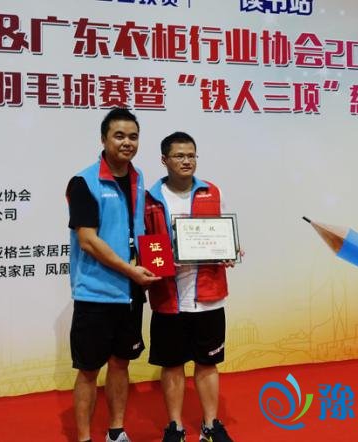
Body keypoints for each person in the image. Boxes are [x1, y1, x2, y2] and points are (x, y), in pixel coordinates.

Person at [67, 108, 160, 442]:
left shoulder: (138, 178)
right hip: (95, 293)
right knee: (89, 370)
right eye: (119, 136)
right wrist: (130, 270)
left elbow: (141, 230)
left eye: (133, 136)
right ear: (103, 139)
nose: (127, 143)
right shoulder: (84, 182)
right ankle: (83, 438)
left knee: (121, 363)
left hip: (130, 293)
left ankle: (116, 432)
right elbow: (88, 240)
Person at [144, 131, 235, 442]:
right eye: (179, 156)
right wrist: (159, 261)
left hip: (209, 295)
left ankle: (210, 425)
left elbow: (222, 234)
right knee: (172, 365)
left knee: (208, 363)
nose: (187, 161)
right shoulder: (150, 198)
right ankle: (176, 427)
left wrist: (231, 250)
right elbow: (146, 244)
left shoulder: (212, 192)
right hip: (168, 297)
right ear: (164, 160)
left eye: (191, 155)